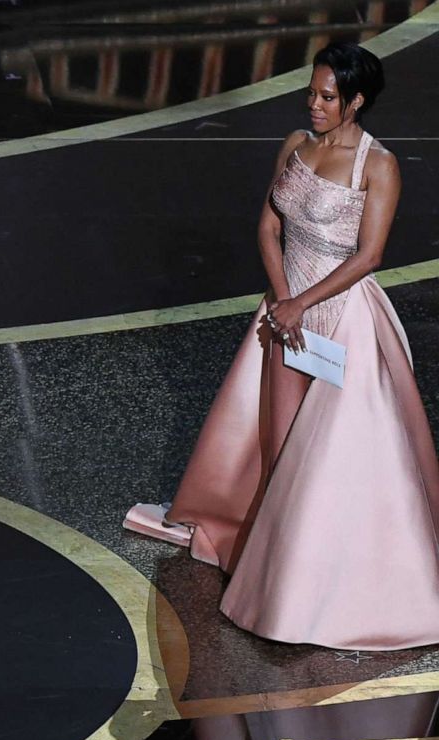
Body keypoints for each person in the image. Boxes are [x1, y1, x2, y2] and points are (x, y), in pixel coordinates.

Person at [126, 43, 439, 650]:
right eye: (312, 93)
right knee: (277, 442)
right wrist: (281, 298)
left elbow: (370, 257)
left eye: (328, 97)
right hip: (285, 313)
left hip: (342, 318)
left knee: (329, 460)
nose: (315, 105)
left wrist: (303, 302)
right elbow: (269, 225)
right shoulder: (295, 145)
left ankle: (322, 582)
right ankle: (270, 560)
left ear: (356, 101)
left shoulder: (378, 166)